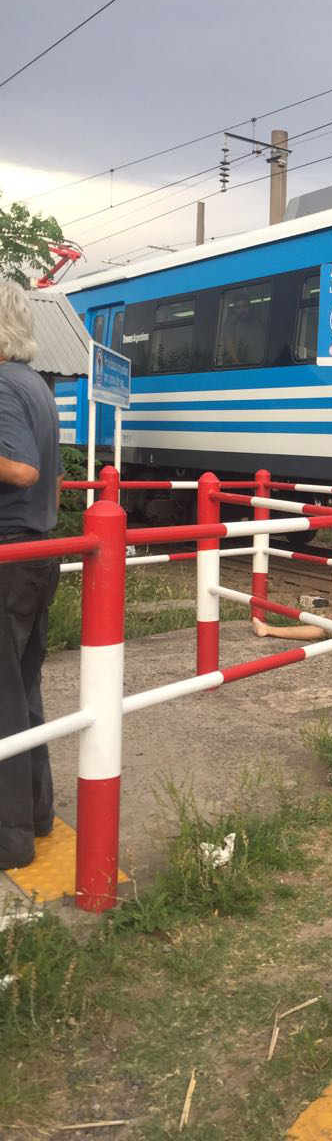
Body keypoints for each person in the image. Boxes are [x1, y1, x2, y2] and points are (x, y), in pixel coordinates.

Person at [0, 281, 63, 871]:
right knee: (24, 692)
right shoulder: (36, 386)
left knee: (2, 700)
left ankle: (9, 840)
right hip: (39, 551)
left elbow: (19, 470)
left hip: (8, 556)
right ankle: (38, 816)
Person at [222, 293, 266, 364]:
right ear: (235, 309)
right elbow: (229, 344)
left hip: (260, 365)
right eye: (238, 307)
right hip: (241, 365)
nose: (242, 310)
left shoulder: (258, 322)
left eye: (245, 306)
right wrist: (237, 363)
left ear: (250, 306)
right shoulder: (231, 322)